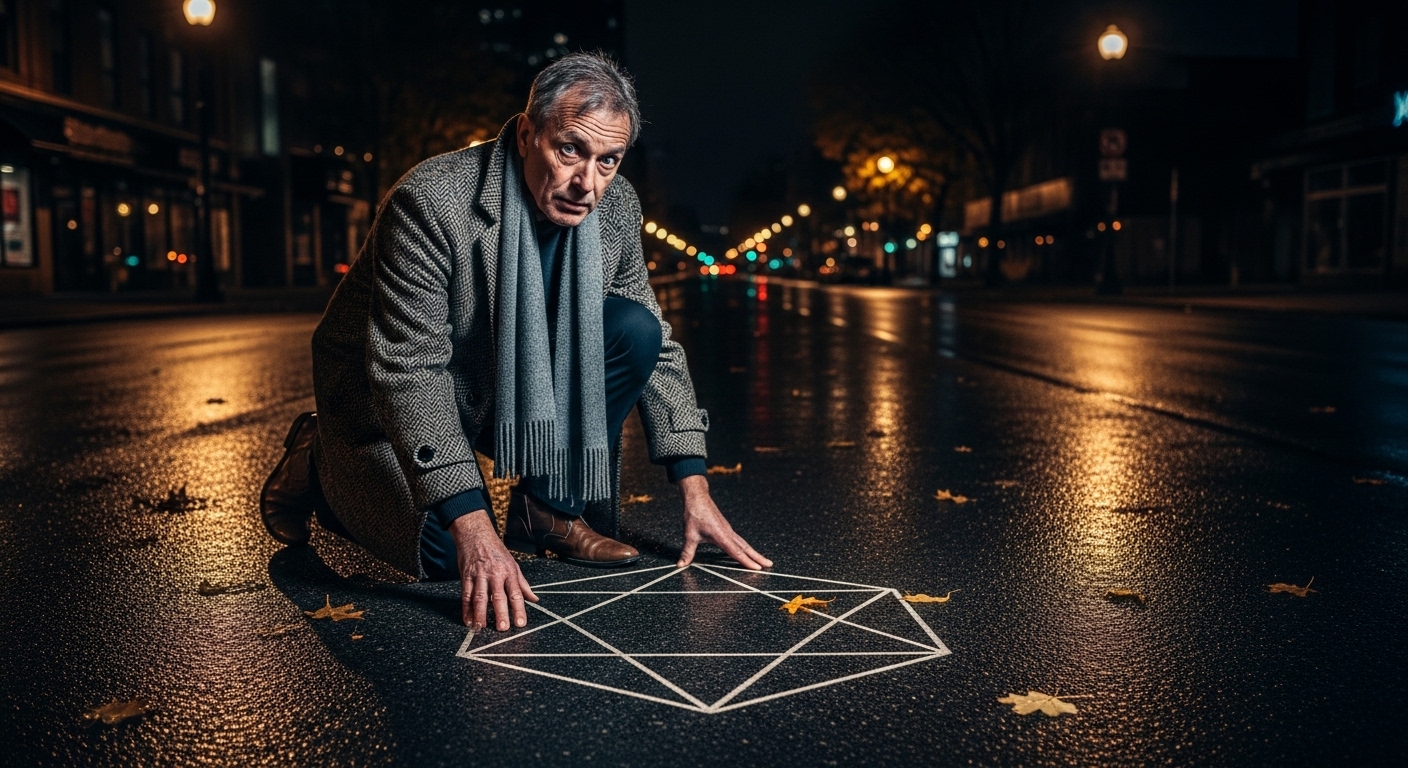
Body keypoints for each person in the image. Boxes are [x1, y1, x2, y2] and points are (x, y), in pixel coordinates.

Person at [258, 52, 771, 636]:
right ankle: (320, 462)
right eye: (570, 150)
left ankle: (546, 512)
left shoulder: (617, 206)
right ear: (527, 134)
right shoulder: (430, 202)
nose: (588, 185)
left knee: (634, 329)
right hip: (389, 399)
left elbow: (657, 350)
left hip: (504, 379)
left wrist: (695, 484)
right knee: (451, 558)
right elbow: (409, 370)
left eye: (609, 161)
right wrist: (472, 525)